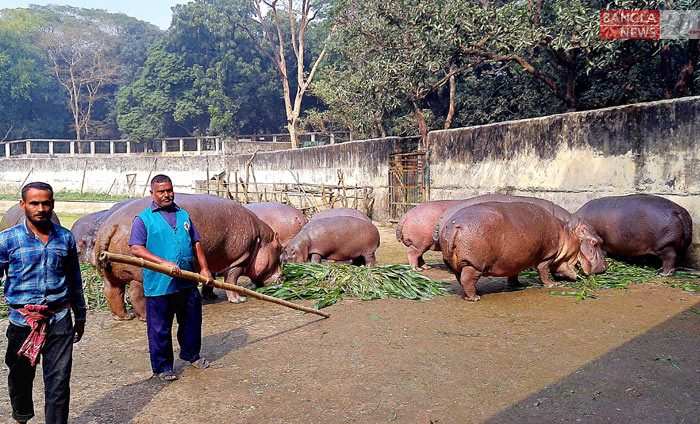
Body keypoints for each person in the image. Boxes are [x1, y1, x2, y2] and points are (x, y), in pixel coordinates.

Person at [0, 182, 86, 424]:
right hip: (22, 321)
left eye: (45, 203)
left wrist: (80, 317)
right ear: (22, 205)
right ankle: (21, 417)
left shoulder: (65, 238)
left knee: (59, 381)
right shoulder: (7, 240)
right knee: (20, 377)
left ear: (52, 205)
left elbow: (75, 281)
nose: (40, 208)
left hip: (59, 319)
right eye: (34, 203)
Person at [129, 174, 213, 381]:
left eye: (169, 190)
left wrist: (204, 269)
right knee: (159, 328)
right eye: (161, 191)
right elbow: (136, 248)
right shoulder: (143, 219)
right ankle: (163, 367)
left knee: (192, 321)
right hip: (159, 283)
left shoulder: (184, 215)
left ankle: (191, 355)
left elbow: (196, 243)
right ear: (152, 194)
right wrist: (162, 263)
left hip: (187, 280)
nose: (166, 195)